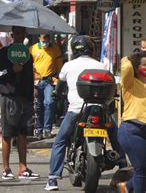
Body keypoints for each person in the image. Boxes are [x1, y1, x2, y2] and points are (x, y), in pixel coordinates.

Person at [44, 35, 126, 191]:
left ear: (74, 50)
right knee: (115, 134)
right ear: (92, 49)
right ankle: (122, 164)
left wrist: (56, 94)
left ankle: (53, 179)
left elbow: (60, 87)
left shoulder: (68, 66)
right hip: (100, 109)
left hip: (76, 110)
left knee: (60, 141)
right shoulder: (101, 65)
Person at [0, 26, 39, 181]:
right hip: (8, 97)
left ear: (25, 35)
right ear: (12, 35)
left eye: (22, 33)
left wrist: (31, 98)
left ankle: (23, 167)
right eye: (16, 33)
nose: (19, 35)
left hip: (24, 98)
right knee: (7, 133)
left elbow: (30, 77)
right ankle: (6, 167)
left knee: (23, 133)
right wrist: (11, 70)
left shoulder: (28, 55)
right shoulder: (3, 52)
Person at [117, 51, 146, 193]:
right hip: (132, 129)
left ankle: (127, 187)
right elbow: (127, 68)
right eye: (144, 65)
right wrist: (129, 58)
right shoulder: (130, 82)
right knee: (142, 169)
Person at [30, 34, 63, 140]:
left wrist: (59, 78)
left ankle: (47, 129)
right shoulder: (33, 49)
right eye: (43, 39)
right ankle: (39, 129)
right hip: (36, 81)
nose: (45, 41)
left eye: (47, 39)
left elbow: (59, 66)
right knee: (38, 106)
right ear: (39, 38)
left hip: (49, 81)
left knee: (49, 103)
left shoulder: (55, 49)